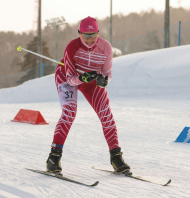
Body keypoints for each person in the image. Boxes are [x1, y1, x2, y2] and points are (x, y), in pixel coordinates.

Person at [46, 16, 130, 174]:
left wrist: (103, 81)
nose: (90, 40)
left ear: (98, 33)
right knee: (69, 113)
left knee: (106, 114)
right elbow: (71, 80)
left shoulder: (106, 47)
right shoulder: (72, 47)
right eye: (86, 36)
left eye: (94, 36)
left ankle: (116, 157)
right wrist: (82, 78)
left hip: (91, 82)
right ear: (79, 34)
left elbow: (107, 74)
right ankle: (54, 157)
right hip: (67, 76)